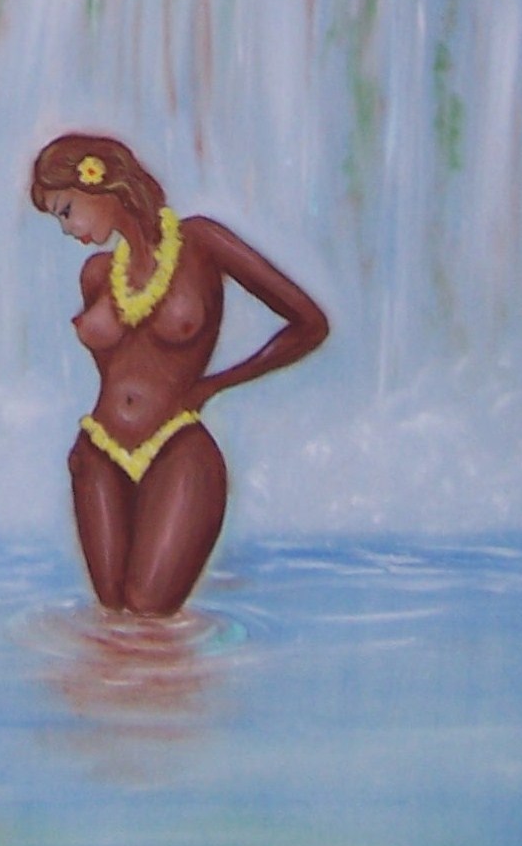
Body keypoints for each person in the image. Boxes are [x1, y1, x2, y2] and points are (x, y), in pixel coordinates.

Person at [31, 134, 328, 617]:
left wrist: (213, 385)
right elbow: (121, 372)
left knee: (149, 612)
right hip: (98, 453)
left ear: (99, 182)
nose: (67, 229)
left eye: (66, 211)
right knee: (112, 621)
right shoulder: (97, 275)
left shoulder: (202, 243)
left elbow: (310, 324)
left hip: (178, 448)